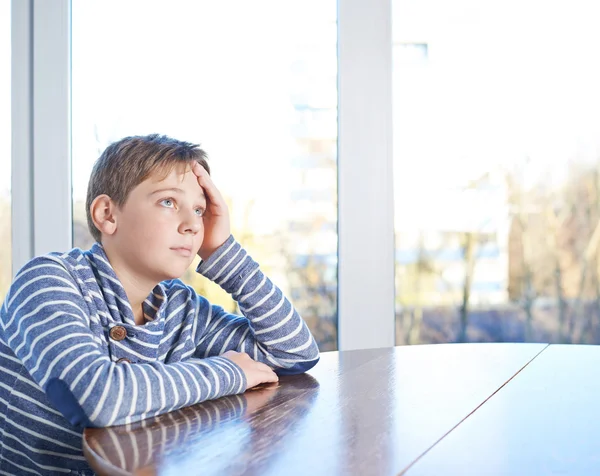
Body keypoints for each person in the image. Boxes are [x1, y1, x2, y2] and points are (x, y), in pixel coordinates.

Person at [0, 134, 320, 475]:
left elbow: (293, 353)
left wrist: (222, 250)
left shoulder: (180, 307)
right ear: (107, 214)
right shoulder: (48, 281)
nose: (193, 224)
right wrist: (230, 372)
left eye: (200, 210)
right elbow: (96, 399)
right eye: (168, 202)